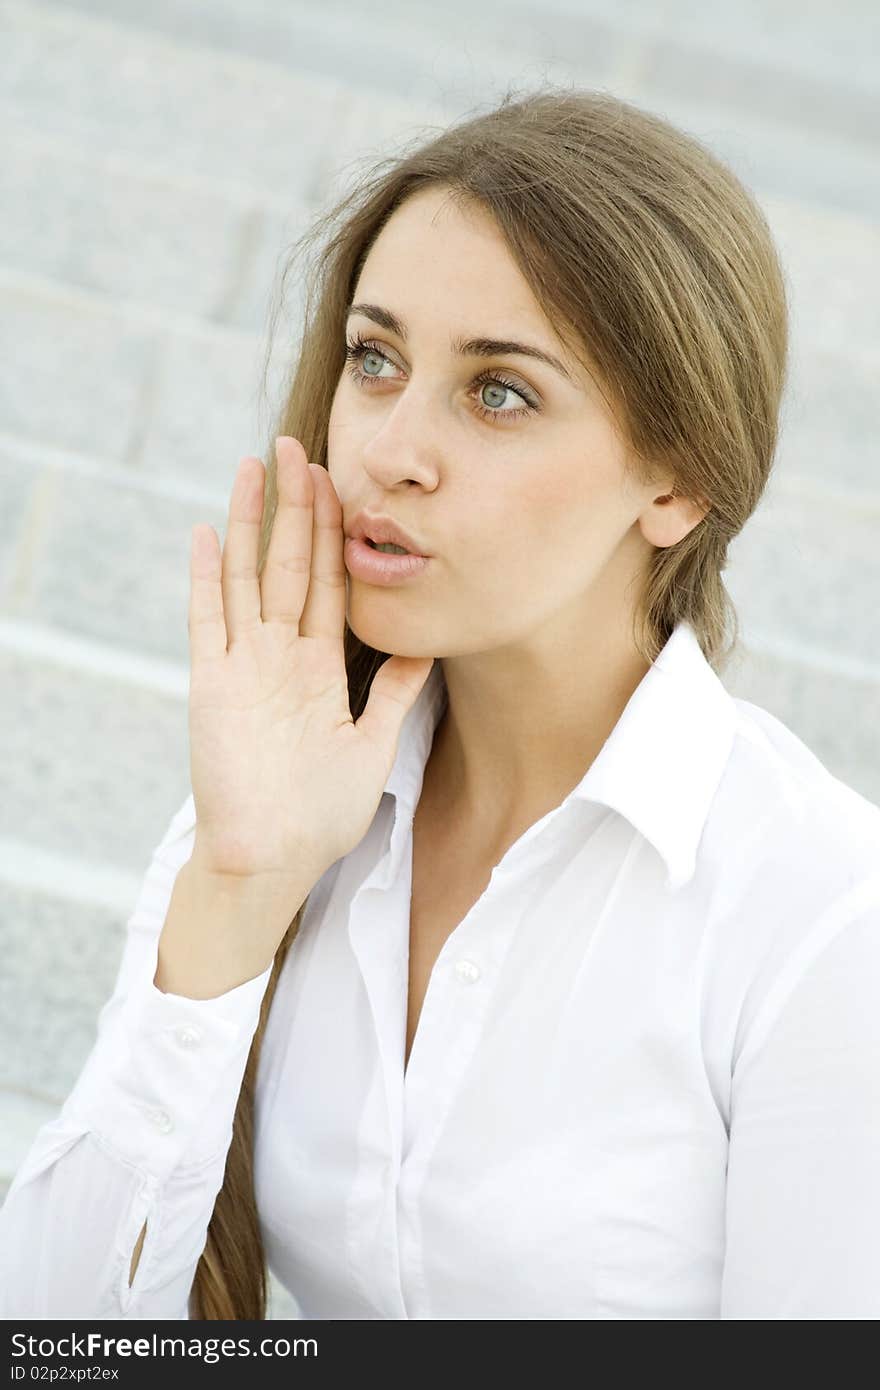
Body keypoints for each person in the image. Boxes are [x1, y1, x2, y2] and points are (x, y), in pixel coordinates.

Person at [1, 86, 879, 1322]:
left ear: (676, 481)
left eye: (498, 393)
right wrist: (238, 888)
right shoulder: (288, 799)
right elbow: (55, 1335)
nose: (389, 449)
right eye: (375, 360)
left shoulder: (816, 914)